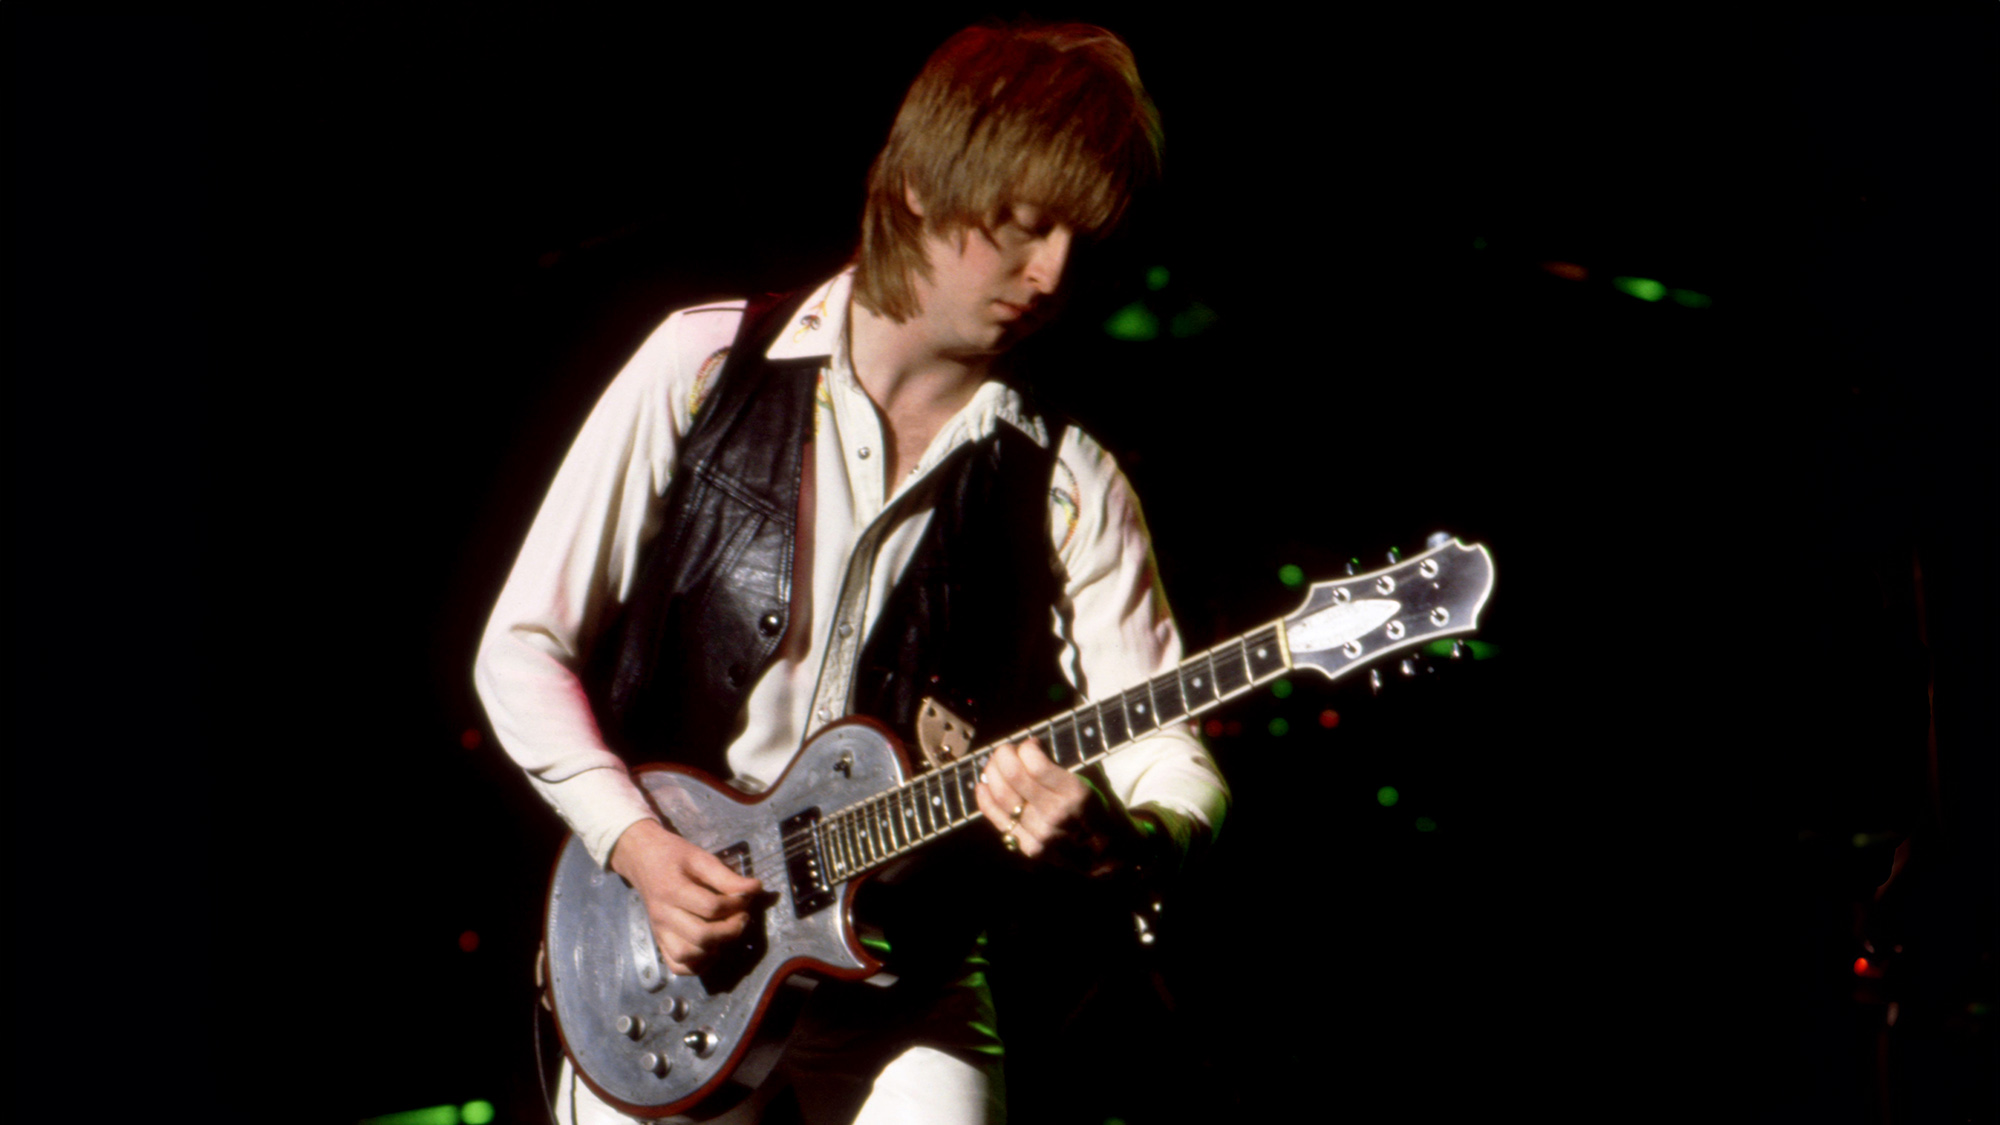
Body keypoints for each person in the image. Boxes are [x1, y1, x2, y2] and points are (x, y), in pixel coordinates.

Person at [474, 21, 1228, 1124]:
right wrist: (630, 841)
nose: (1053, 271)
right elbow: (520, 647)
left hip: (908, 972)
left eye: (1083, 236)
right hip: (662, 950)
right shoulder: (704, 368)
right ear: (921, 186)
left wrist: (1129, 835)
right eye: (1026, 223)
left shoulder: (1069, 475)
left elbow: (1167, 744)